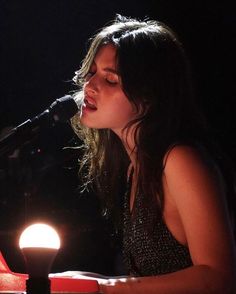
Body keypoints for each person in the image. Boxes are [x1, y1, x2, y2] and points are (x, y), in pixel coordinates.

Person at [71, 14, 236, 293]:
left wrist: (103, 288)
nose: (90, 86)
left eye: (110, 80)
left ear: (148, 96)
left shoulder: (180, 159)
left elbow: (219, 278)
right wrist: (69, 281)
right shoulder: (135, 167)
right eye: (91, 73)